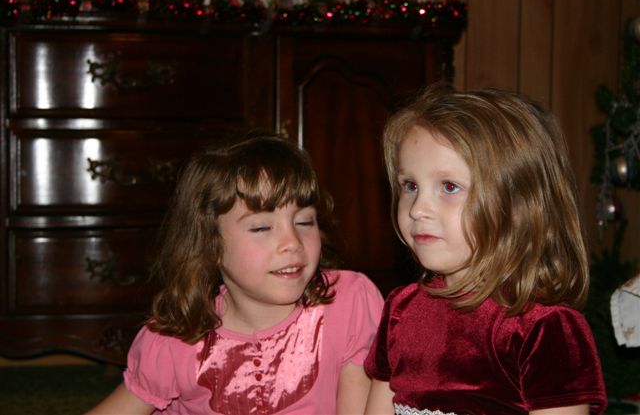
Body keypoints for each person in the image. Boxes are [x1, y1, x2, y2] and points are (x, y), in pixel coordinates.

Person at [87, 131, 384, 415]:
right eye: (262, 228)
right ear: (211, 244)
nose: (292, 242)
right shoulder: (177, 340)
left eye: (304, 222)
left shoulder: (347, 304)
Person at [363, 84, 608, 415]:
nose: (418, 208)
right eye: (410, 186)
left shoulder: (544, 330)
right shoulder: (400, 311)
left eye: (449, 187)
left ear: (519, 205)